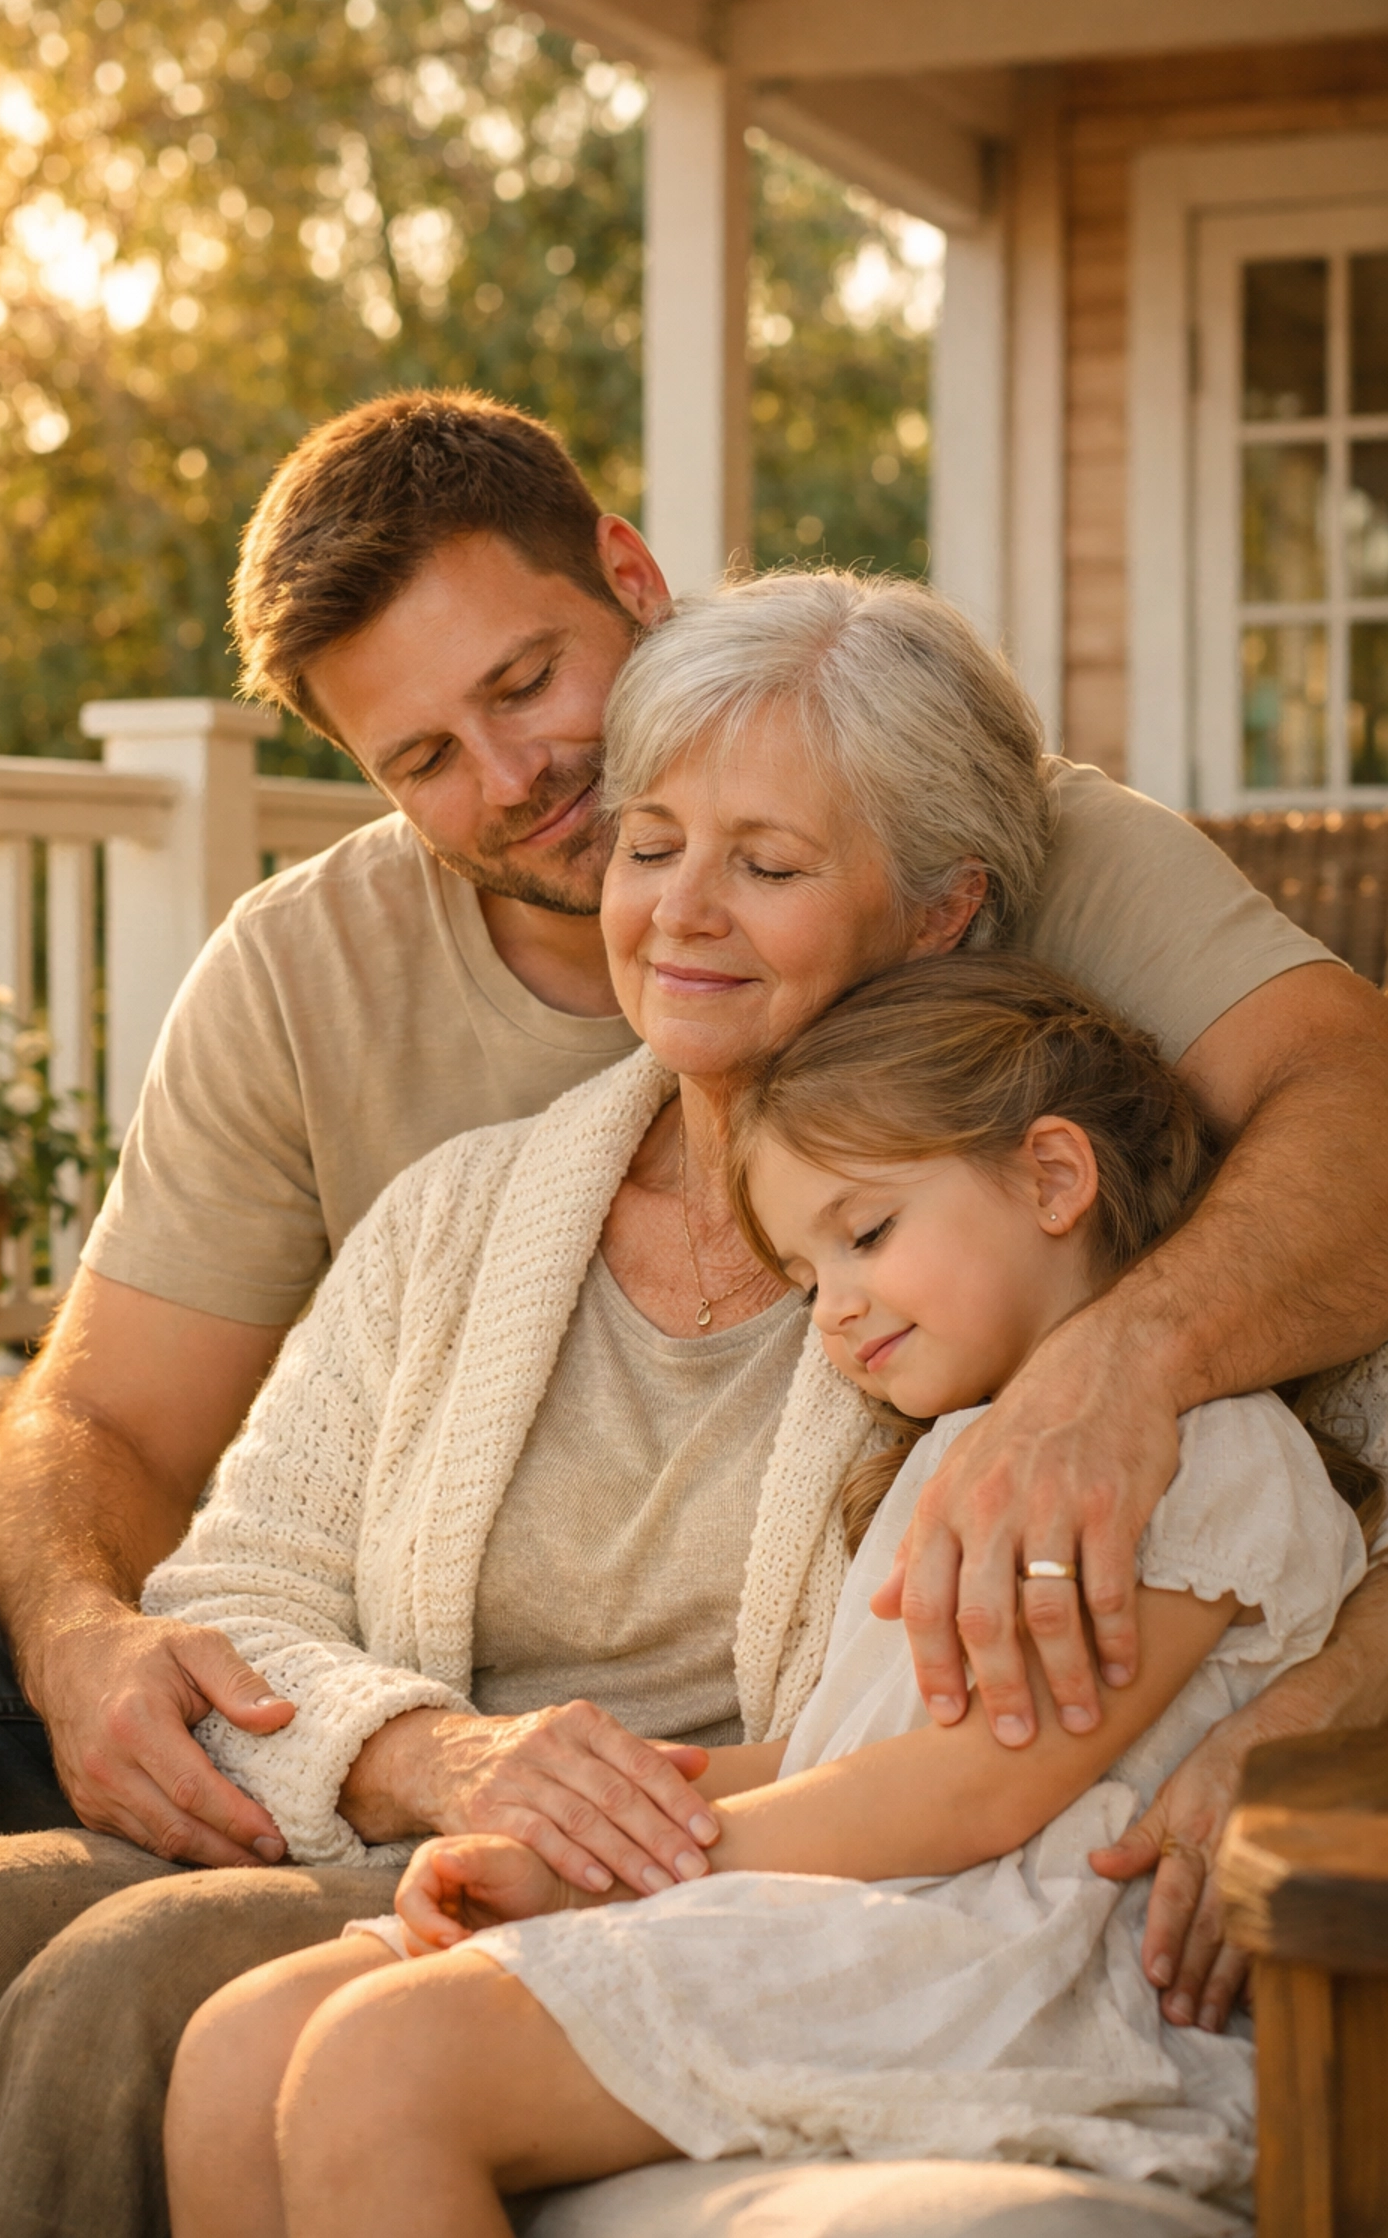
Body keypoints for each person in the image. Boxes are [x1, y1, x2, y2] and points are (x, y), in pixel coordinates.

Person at [0, 408, 1386, 2232]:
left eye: (526, 681)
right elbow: (121, 1438)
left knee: (142, 1982)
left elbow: (1341, 1154)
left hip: (726, 1841)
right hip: (435, 1758)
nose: (521, 786)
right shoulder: (403, 1096)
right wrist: (147, 1655)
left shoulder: (1025, 957)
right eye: (425, 750)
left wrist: (1131, 1385)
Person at [160, 955, 1378, 2238]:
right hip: (877, 1904)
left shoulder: (1207, 1452)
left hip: (1000, 1959)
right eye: (807, 1280)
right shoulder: (948, 1461)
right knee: (242, 2049)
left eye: (866, 1234)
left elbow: (973, 1787)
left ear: (1055, 1178)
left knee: (387, 2060)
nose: (838, 1310)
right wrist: (588, 1824)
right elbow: (833, 1756)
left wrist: (606, 1887)